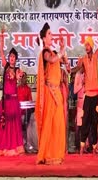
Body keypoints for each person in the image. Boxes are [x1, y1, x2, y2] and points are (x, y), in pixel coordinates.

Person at [73, 7, 98, 154]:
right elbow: (76, 69)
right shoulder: (83, 60)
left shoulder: (96, 56)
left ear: (92, 46)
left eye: (88, 45)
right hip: (88, 96)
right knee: (85, 121)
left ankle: (94, 147)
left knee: (94, 121)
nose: (86, 47)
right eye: (85, 45)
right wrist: (67, 68)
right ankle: (81, 146)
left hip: (96, 96)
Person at [35, 22, 67, 164]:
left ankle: (56, 154)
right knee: (49, 124)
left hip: (57, 93)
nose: (51, 36)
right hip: (49, 94)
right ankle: (47, 154)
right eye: (49, 34)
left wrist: (62, 50)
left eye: (51, 34)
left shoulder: (54, 52)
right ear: (43, 38)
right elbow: (53, 59)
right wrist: (61, 51)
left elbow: (66, 65)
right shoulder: (45, 53)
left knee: (58, 125)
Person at [0, 28, 24, 156]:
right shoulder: (5, 66)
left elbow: (19, 77)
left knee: (14, 125)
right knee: (3, 125)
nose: (11, 58)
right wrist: (1, 36)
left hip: (13, 101)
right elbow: (0, 51)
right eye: (10, 56)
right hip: (5, 101)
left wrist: (19, 76)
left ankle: (14, 148)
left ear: (16, 59)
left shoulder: (17, 70)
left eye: (13, 57)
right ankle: (2, 148)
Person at [18, 72, 36, 153]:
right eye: (22, 78)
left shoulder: (28, 89)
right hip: (18, 114)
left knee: (30, 122)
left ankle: (28, 145)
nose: (23, 79)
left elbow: (30, 102)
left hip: (26, 114)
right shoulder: (16, 89)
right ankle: (21, 145)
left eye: (24, 78)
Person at [73, 69, 85, 152]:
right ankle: (77, 147)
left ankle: (86, 147)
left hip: (88, 103)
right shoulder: (78, 75)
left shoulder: (89, 74)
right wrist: (82, 83)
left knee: (87, 127)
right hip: (80, 104)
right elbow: (75, 90)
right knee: (78, 127)